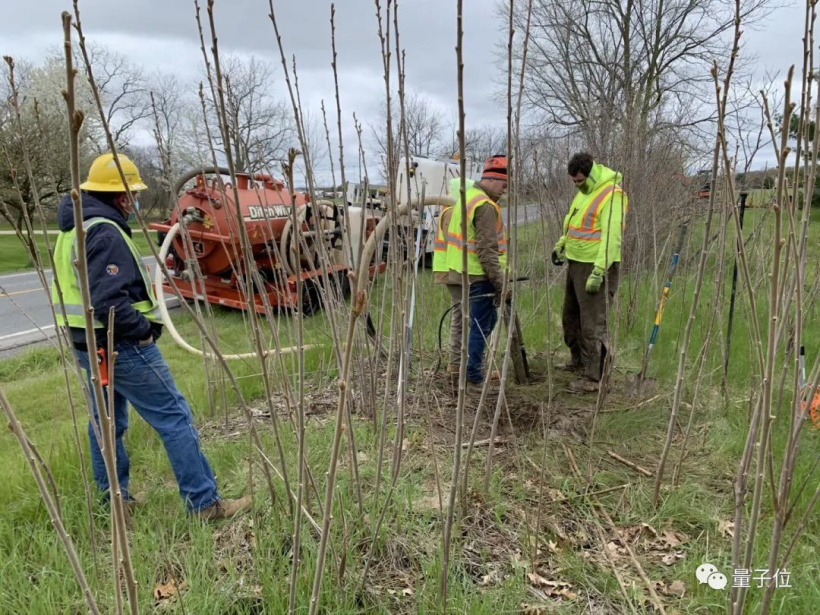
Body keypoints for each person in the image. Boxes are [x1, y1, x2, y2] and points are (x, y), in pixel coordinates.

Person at [51, 152, 251, 520]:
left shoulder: (73, 229)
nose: (136, 200)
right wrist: (143, 331)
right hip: (122, 347)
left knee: (106, 422)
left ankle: (114, 503)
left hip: (86, 344)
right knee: (174, 417)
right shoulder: (105, 232)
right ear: (122, 196)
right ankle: (204, 504)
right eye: (133, 193)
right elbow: (109, 301)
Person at [552, 152, 628, 392]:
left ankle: (596, 377)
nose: (576, 185)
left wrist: (599, 270)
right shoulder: (584, 194)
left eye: (579, 181)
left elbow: (612, 237)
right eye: (573, 181)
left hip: (596, 266)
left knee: (593, 324)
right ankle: (579, 361)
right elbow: (574, 223)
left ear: (590, 174)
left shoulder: (612, 195)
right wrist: (562, 243)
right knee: (571, 318)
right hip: (575, 262)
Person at [445, 155, 509, 386]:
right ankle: (473, 374)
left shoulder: (468, 197)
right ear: (491, 179)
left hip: (457, 270)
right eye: (504, 183)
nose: (505, 188)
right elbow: (487, 251)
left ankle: (456, 367)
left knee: (464, 323)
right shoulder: (484, 206)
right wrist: (501, 284)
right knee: (481, 324)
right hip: (476, 276)